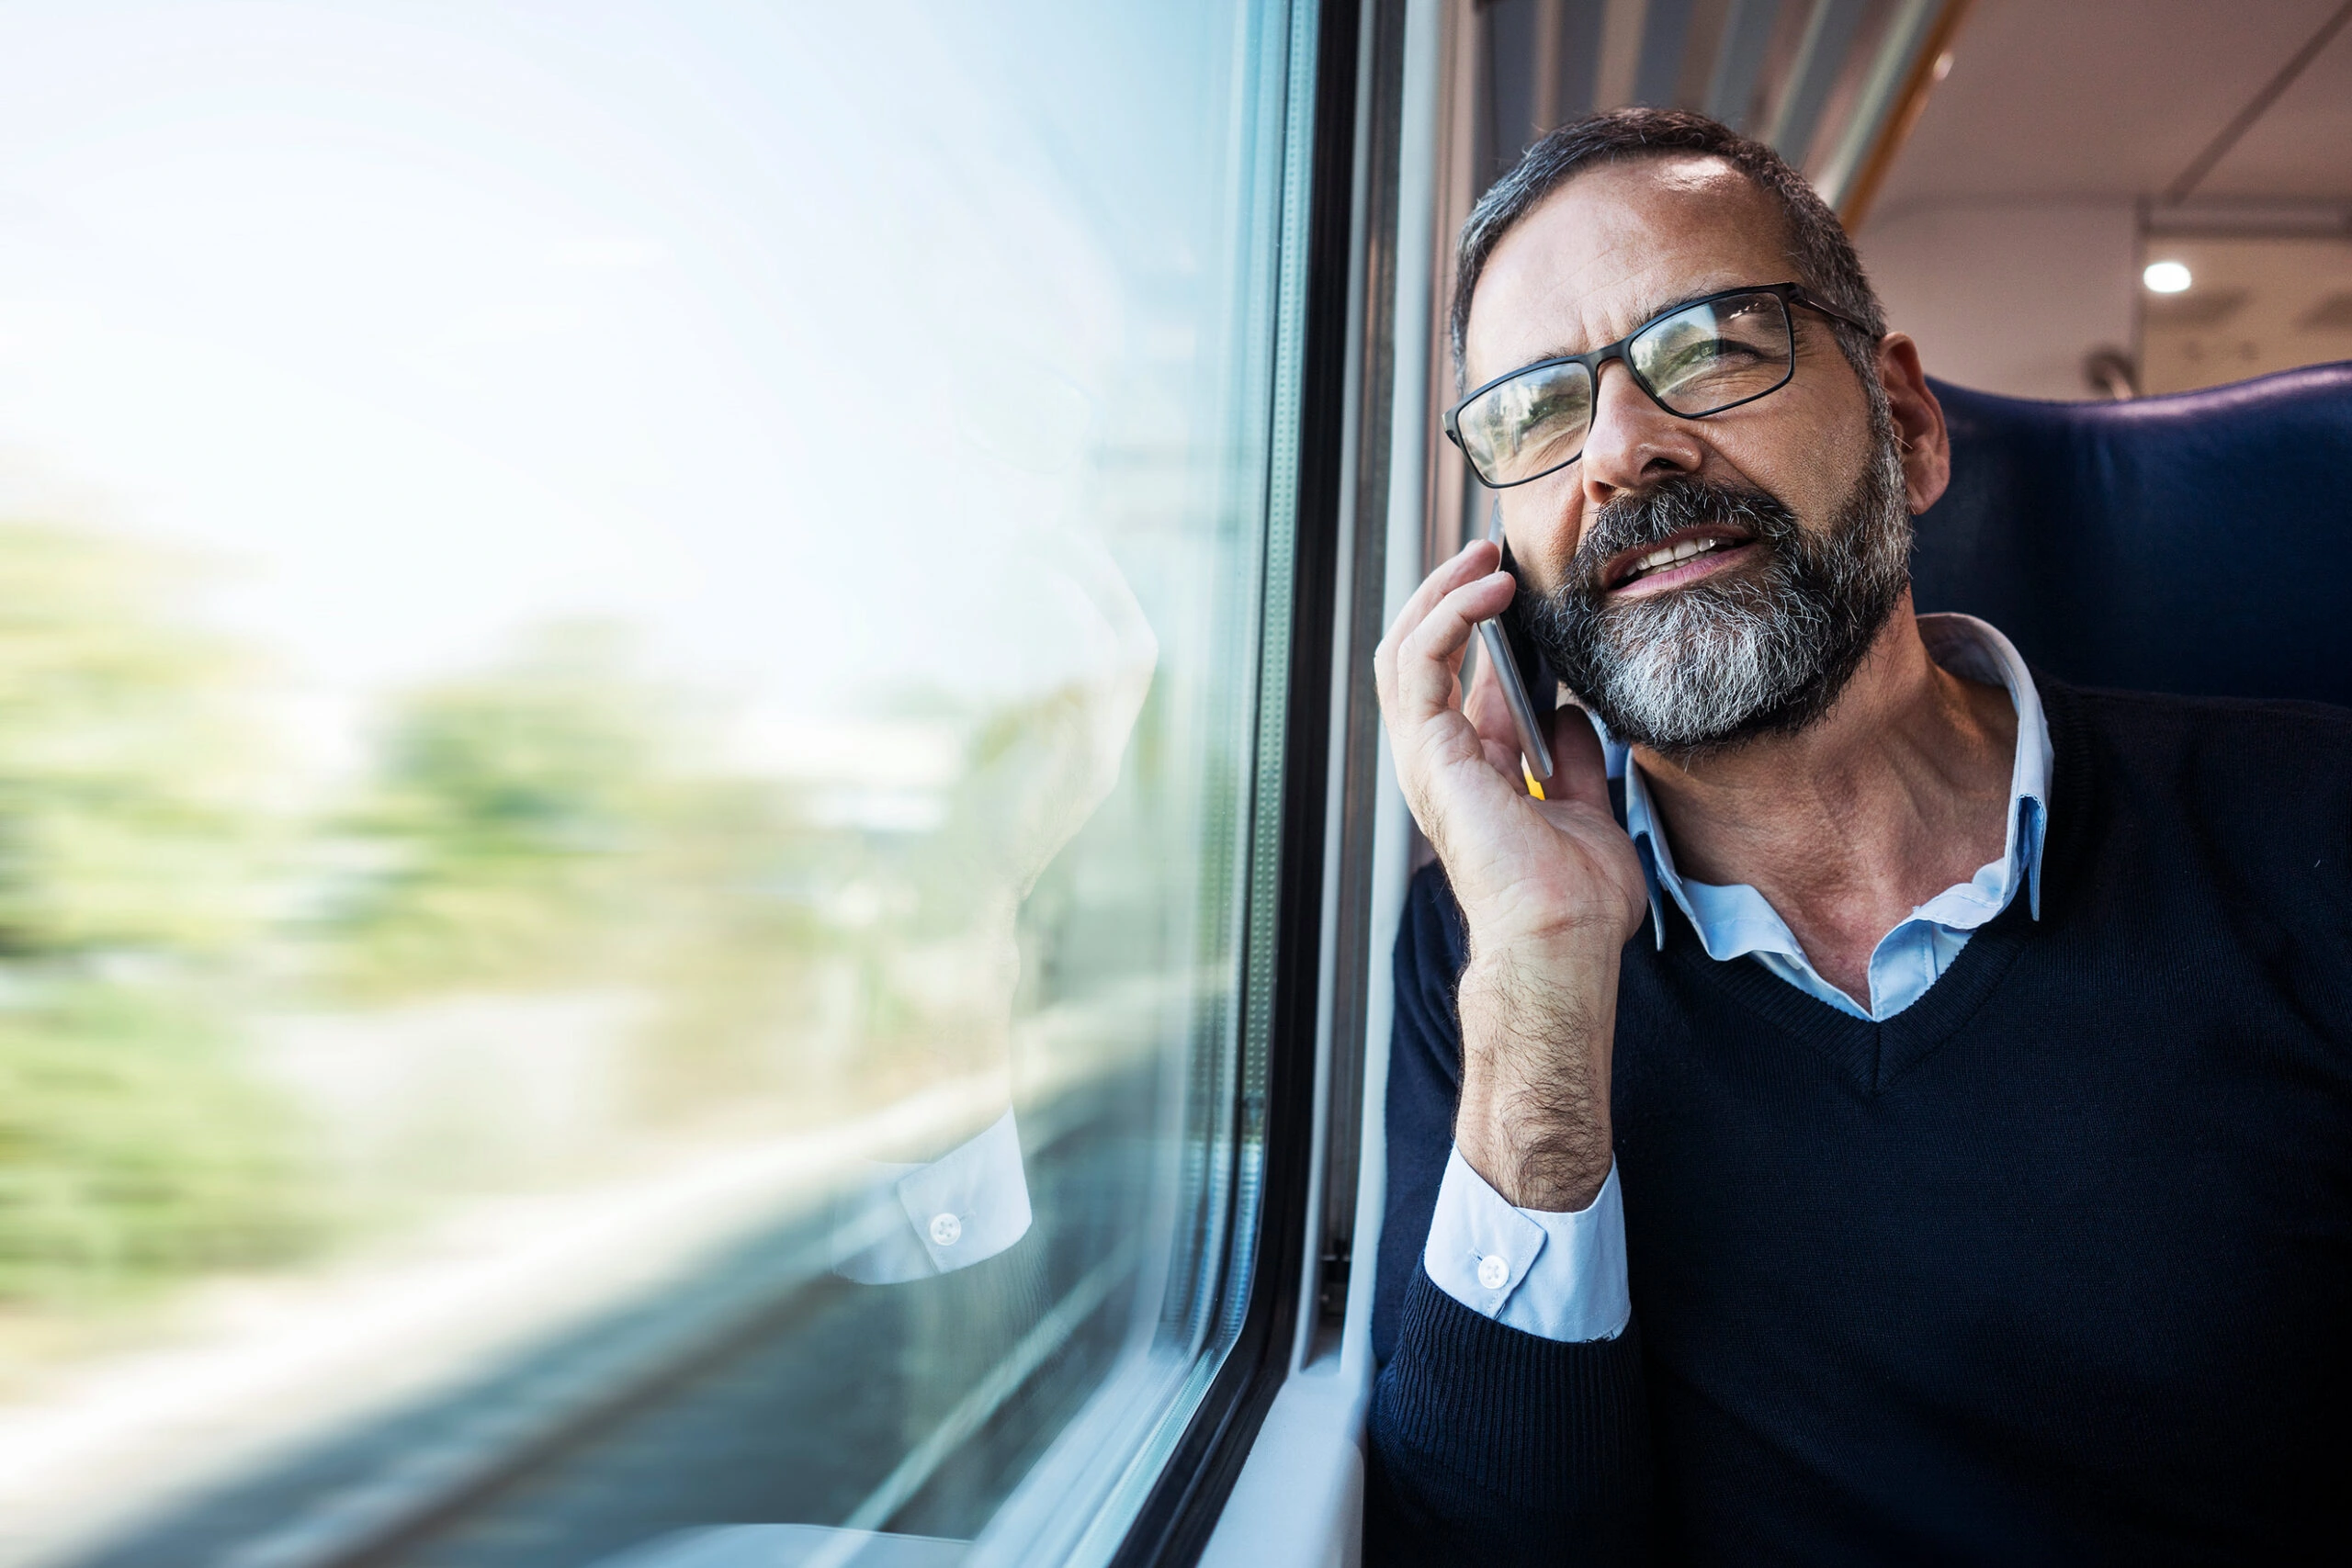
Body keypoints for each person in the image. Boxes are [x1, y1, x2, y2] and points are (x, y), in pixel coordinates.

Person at [1366, 107, 2352, 1563]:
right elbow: (1478, 1544)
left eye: (1708, 343)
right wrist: (1543, 976)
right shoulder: (1491, 952)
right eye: (1537, 412)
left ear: (1904, 423)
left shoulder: (2316, 823)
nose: (1625, 450)